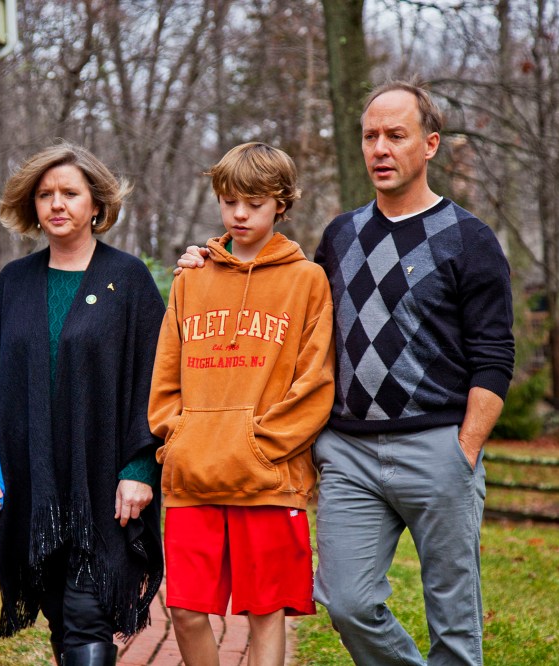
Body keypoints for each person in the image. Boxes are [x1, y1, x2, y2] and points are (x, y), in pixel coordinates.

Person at [178, 79, 515, 665]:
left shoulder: (469, 238)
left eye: (396, 135)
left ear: (431, 144)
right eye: (370, 136)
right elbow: (284, 304)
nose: (380, 148)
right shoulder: (341, 235)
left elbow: (494, 354)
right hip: (349, 453)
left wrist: (465, 448)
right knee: (346, 603)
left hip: (437, 446)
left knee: (454, 621)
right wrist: (211, 263)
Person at [0, 142, 165, 665]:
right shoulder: (14, 281)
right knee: (60, 614)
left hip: (104, 482)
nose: (57, 203)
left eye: (70, 193)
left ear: (96, 204)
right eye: (45, 194)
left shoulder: (129, 279)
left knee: (86, 613)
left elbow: (156, 380)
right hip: (32, 481)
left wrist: (141, 467)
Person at [149, 142, 335, 666]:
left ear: (281, 203)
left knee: (265, 612)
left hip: (268, 479)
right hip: (194, 476)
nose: (239, 214)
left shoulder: (307, 280)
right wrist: (179, 438)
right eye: (229, 201)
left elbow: (316, 382)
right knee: (185, 612)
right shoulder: (191, 278)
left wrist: (260, 446)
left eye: (254, 203)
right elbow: (165, 376)